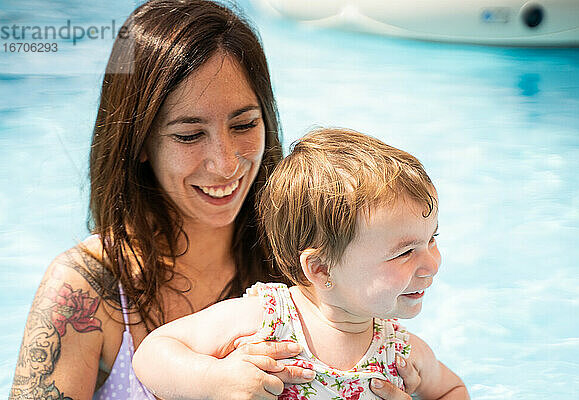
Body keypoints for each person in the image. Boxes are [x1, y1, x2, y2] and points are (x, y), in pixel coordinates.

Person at [8, 1, 419, 399]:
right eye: (189, 135)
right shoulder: (87, 289)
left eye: (244, 124)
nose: (225, 165)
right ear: (140, 143)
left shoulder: (311, 260)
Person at [132, 128, 470, 399]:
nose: (432, 264)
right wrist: (215, 381)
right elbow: (152, 354)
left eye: (432, 239)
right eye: (404, 252)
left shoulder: (401, 352)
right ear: (321, 269)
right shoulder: (267, 319)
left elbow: (453, 390)